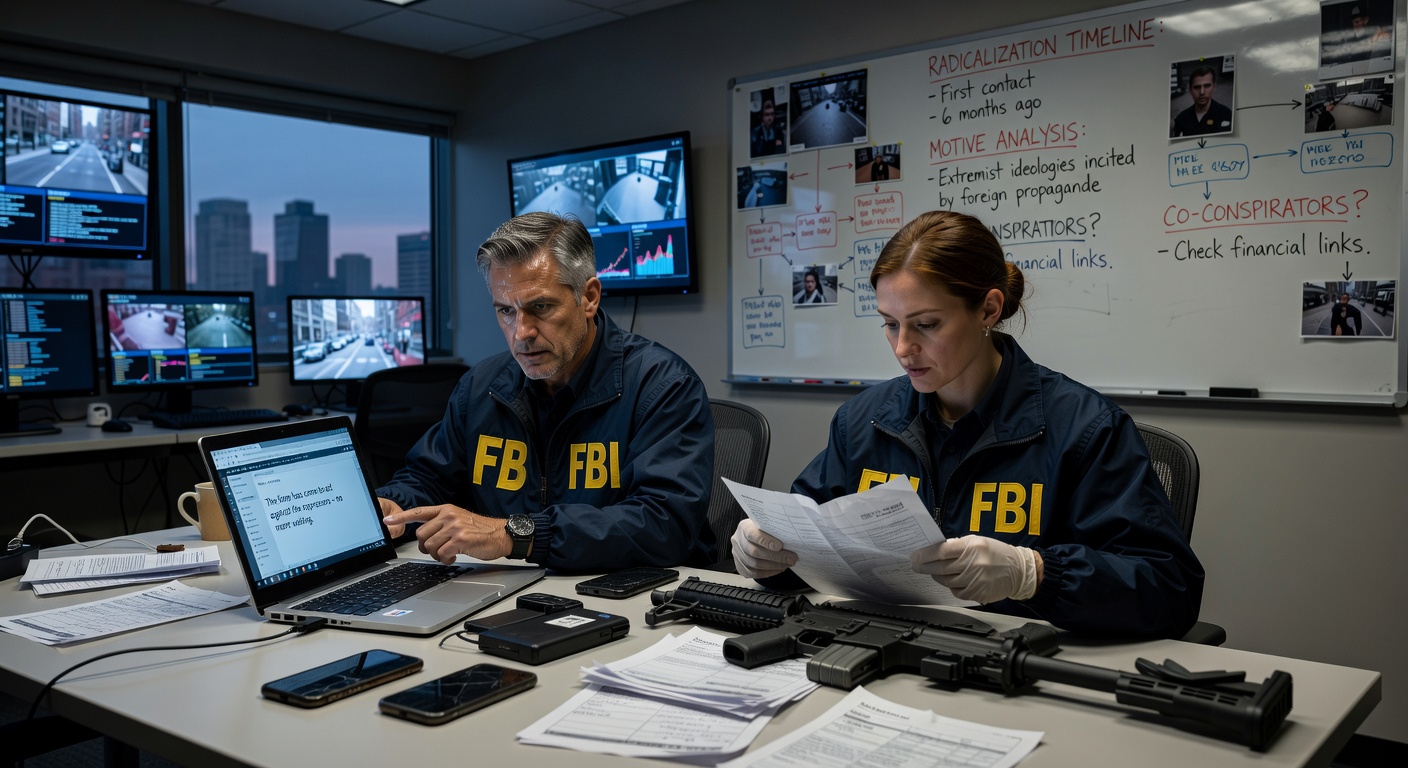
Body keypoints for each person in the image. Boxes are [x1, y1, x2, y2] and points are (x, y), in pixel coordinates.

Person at [732, 211, 1204, 638]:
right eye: (890, 324)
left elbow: (1169, 589)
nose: (902, 348)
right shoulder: (863, 421)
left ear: (988, 310)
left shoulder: (1084, 428)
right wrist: (768, 556)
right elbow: (809, 546)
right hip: (885, 650)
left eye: (927, 324)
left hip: (1017, 670)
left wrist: (1034, 573)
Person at [378, 212, 717, 572]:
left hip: (637, 596)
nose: (521, 331)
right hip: (512, 589)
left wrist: (514, 535)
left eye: (540, 307)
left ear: (589, 297)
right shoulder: (481, 387)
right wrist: (396, 506)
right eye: (506, 311)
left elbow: (663, 524)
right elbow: (429, 478)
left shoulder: (662, 385)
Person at [1172, 66, 1233, 137]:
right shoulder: (1181, 119)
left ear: (1214, 87)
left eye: (1207, 86)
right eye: (1197, 87)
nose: (1202, 92)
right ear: (1190, 90)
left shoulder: (1226, 115)